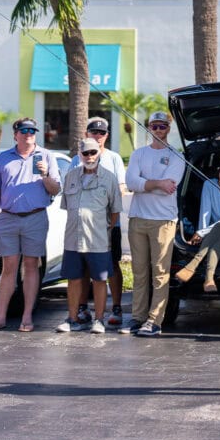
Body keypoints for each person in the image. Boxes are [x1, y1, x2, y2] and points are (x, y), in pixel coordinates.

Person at [0, 117, 61, 333]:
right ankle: (1, 316)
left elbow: (55, 189)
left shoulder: (46, 156)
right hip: (8, 218)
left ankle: (27, 317)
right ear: (15, 134)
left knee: (31, 265)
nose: (29, 134)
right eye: (24, 130)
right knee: (8, 267)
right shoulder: (3, 158)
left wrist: (45, 174)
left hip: (35, 217)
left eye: (32, 131)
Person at [122, 111, 186, 337]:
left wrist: (145, 184)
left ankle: (154, 320)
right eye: (154, 126)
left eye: (162, 126)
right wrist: (158, 183)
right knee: (139, 272)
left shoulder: (177, 156)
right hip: (138, 218)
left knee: (160, 273)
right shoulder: (138, 154)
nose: (158, 130)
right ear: (149, 128)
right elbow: (131, 182)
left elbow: (170, 187)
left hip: (163, 221)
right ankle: (137, 317)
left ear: (169, 128)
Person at [57, 138, 122, 334]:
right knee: (73, 279)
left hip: (98, 239)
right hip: (73, 239)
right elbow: (66, 206)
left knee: (100, 280)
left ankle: (99, 320)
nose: (90, 157)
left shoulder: (109, 178)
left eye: (93, 152)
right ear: (80, 155)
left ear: (99, 153)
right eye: (85, 153)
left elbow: (115, 211)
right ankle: (72, 319)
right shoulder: (71, 176)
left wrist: (105, 228)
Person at [75, 117, 127, 327]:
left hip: (108, 223)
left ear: (107, 135)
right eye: (93, 132)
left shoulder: (114, 158)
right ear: (86, 134)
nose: (97, 136)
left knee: (111, 264)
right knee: (84, 265)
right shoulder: (76, 158)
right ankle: (82, 307)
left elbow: (121, 189)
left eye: (101, 133)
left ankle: (116, 307)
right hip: (83, 225)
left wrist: (109, 219)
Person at [173, 157, 220, 291]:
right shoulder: (209, 184)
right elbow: (205, 211)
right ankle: (209, 279)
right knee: (219, 240)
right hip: (217, 232)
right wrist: (202, 232)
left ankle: (193, 265)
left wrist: (202, 232)